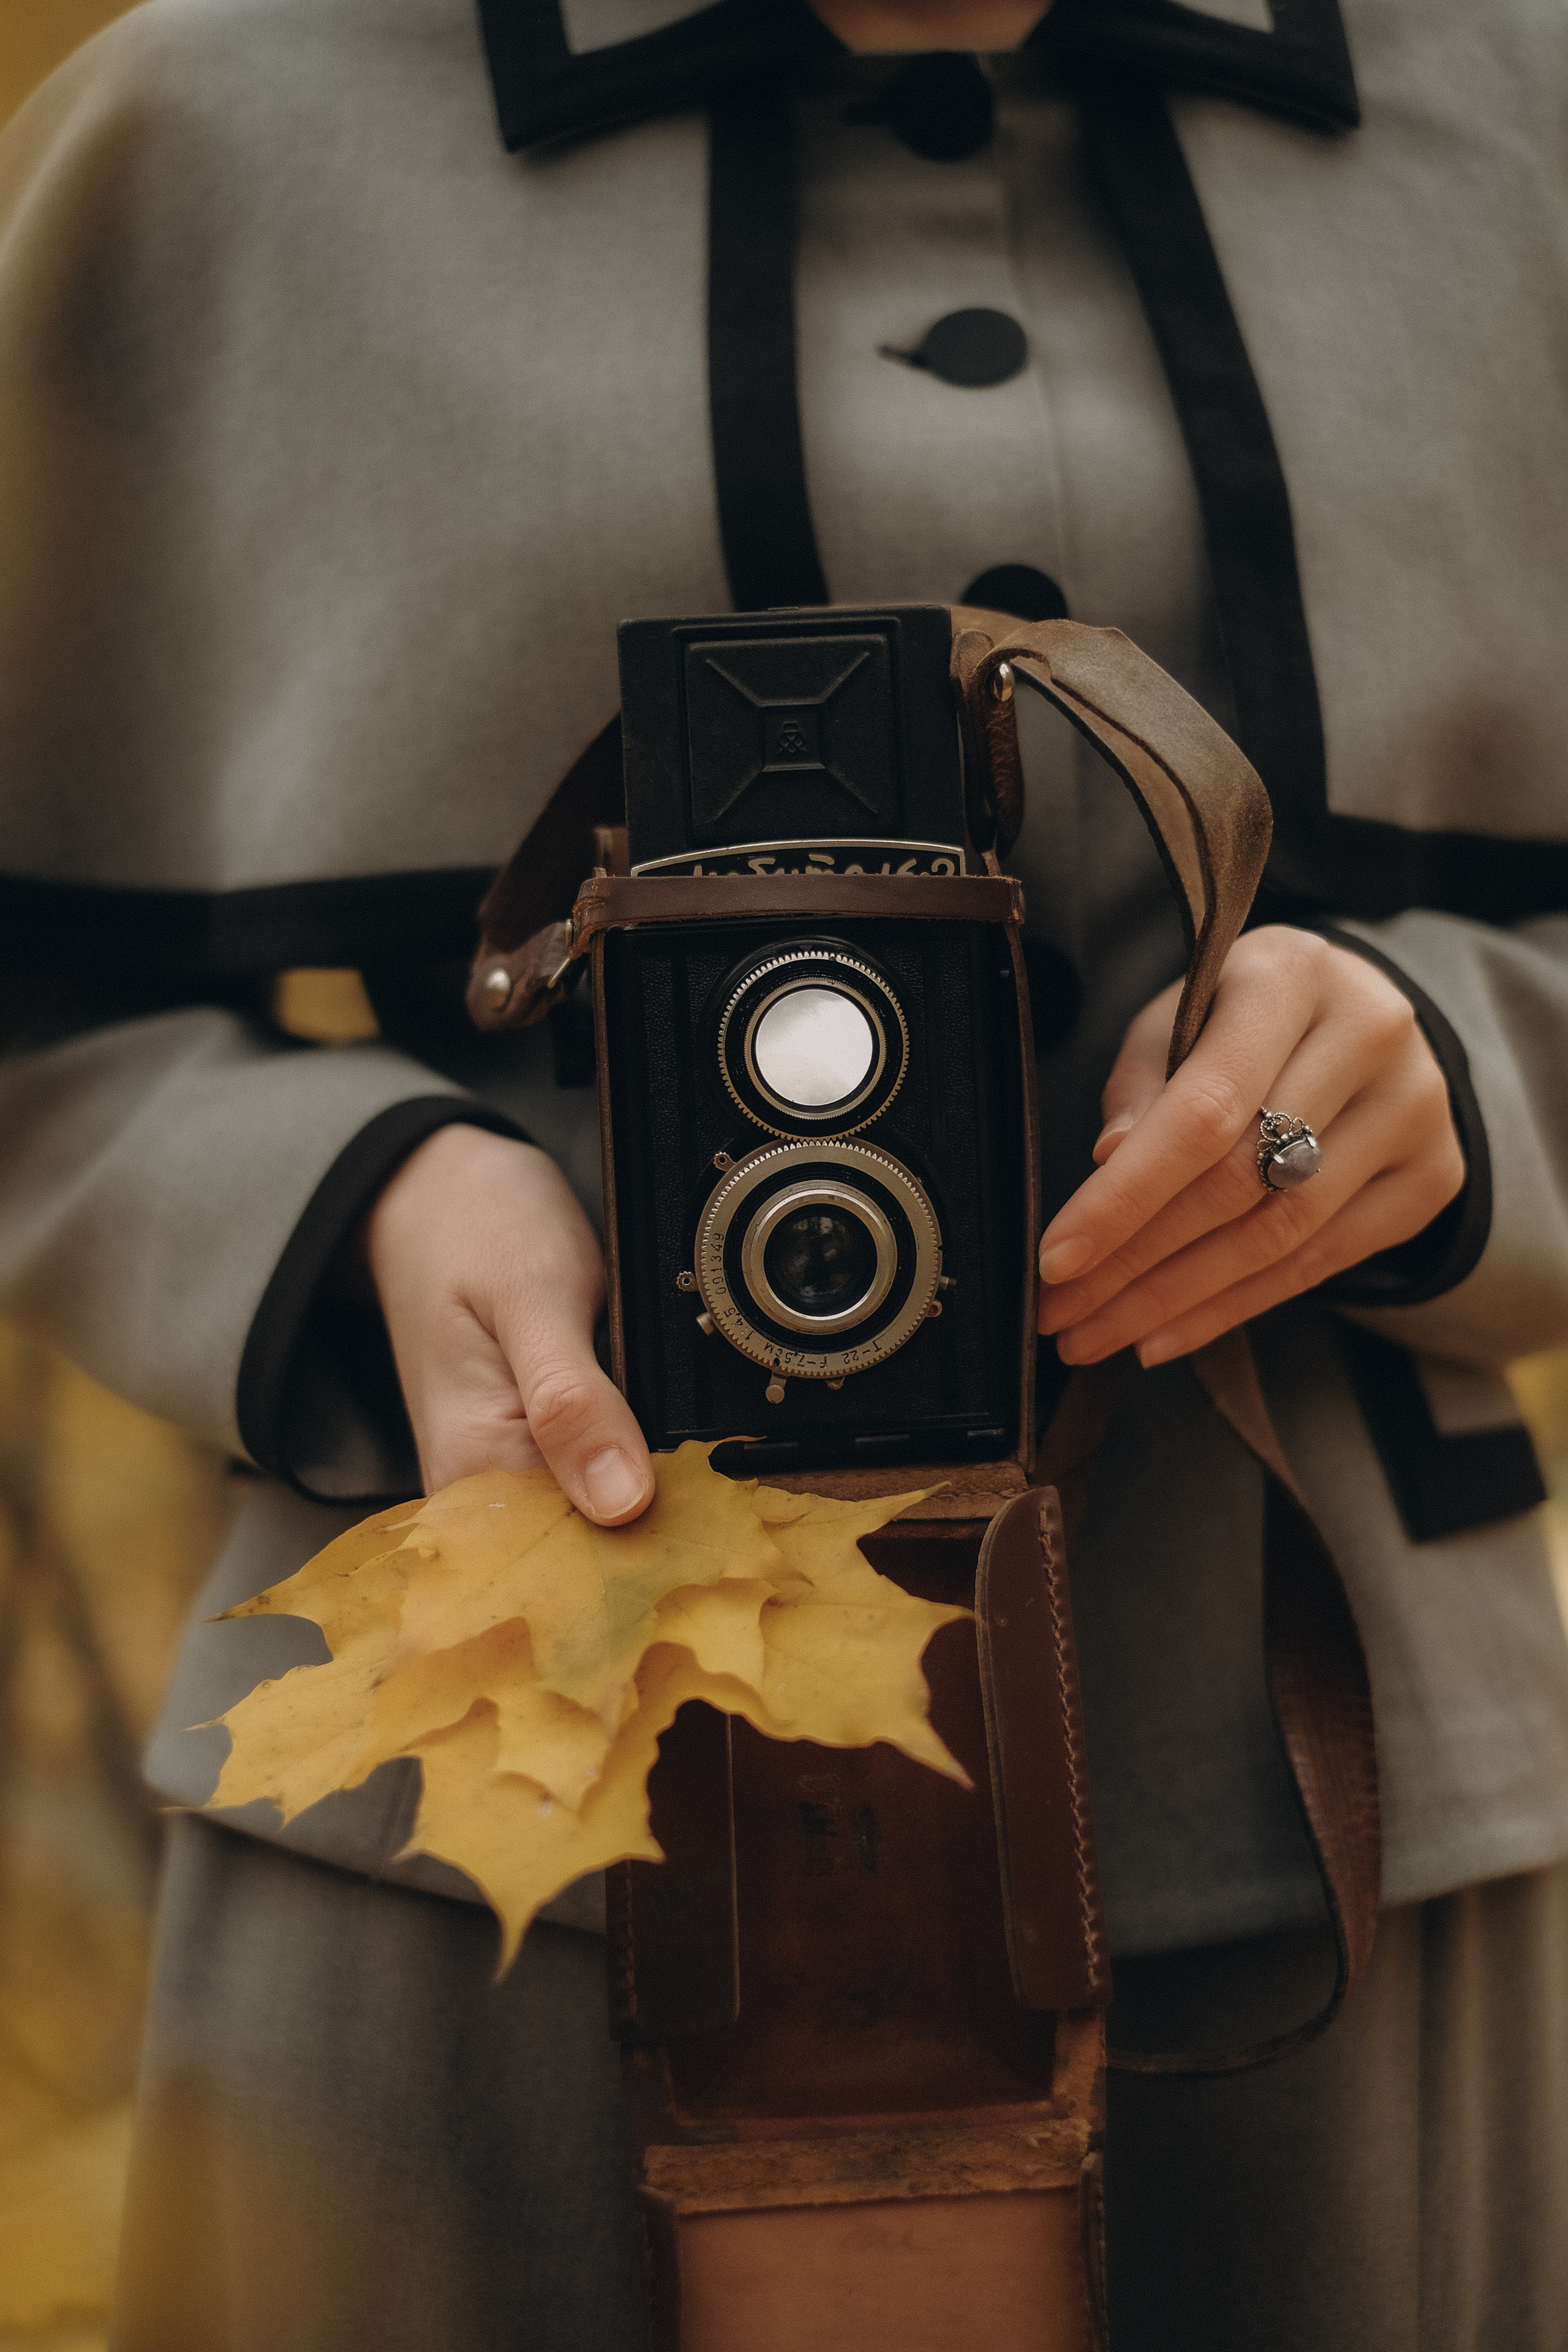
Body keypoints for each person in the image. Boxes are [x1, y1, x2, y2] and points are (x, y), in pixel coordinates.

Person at [3, 0, 1568, 2342]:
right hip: (484, 1825)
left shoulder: (1530, 108)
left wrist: (1454, 1074)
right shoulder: (215, 125)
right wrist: (355, 1206)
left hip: (1326, 1824)